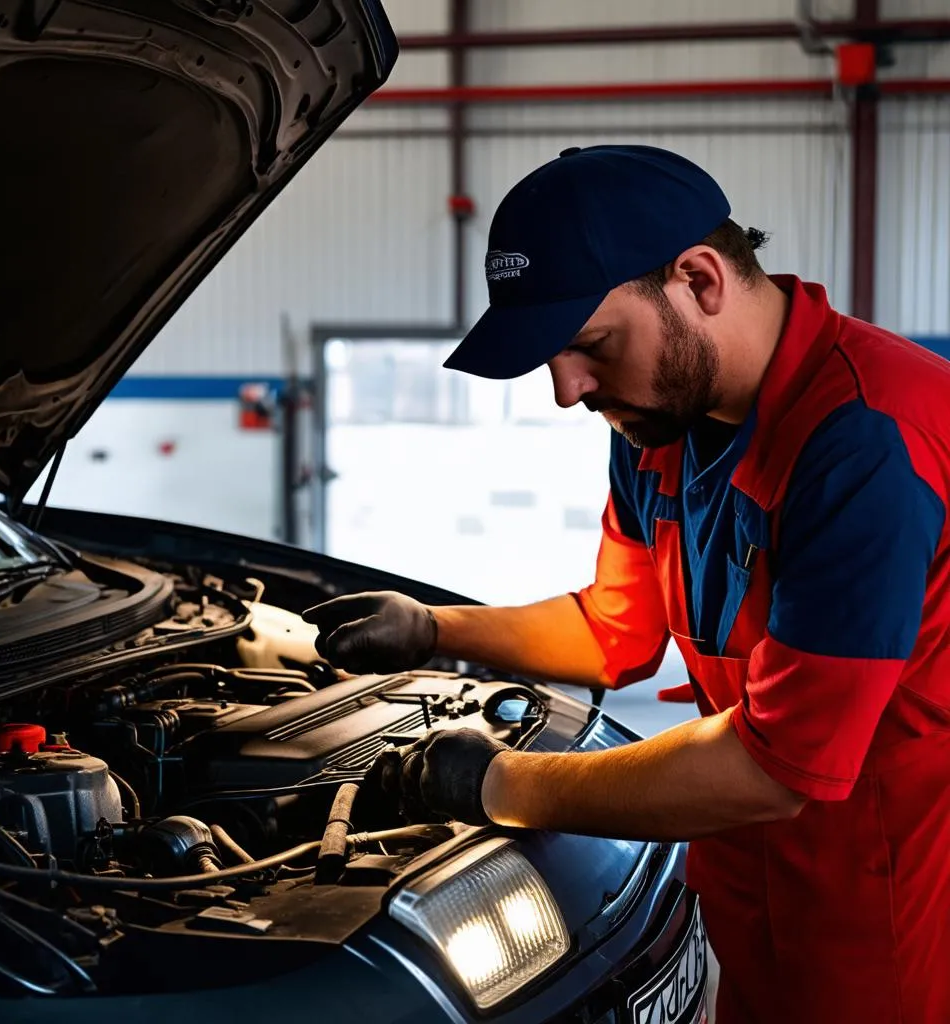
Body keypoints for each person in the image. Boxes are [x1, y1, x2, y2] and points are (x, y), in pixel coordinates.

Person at [301, 145, 950, 1023]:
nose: (568, 390)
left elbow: (775, 767)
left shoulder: (868, 441)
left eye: (590, 345)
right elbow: (615, 632)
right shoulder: (657, 427)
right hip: (745, 884)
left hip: (887, 921)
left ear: (699, 279)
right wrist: (432, 628)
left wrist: (501, 784)